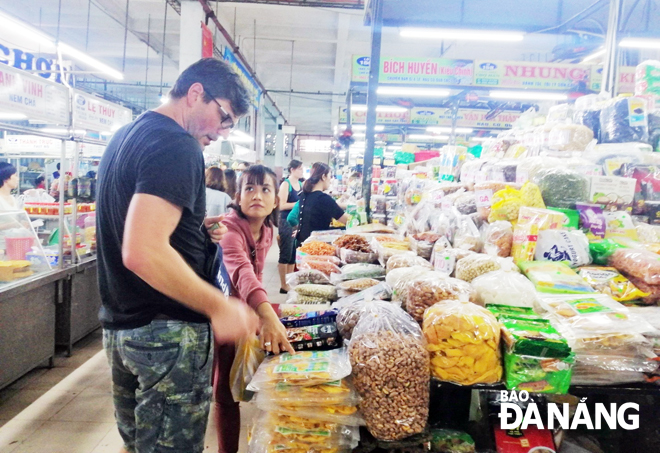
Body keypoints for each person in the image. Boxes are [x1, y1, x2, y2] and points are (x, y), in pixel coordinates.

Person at [96, 58, 259, 453]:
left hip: (124, 328)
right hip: (166, 335)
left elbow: (131, 225)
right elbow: (142, 251)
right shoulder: (176, 144)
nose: (220, 133)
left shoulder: (126, 136)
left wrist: (192, 234)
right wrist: (219, 307)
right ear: (195, 93)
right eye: (223, 118)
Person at [214, 164, 294, 453]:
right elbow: (241, 272)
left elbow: (255, 275)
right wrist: (267, 314)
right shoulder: (228, 229)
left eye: (265, 189)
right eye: (249, 188)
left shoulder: (268, 230)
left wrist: (262, 314)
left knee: (248, 380)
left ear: (275, 200)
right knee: (224, 390)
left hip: (245, 311)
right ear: (238, 195)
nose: (256, 195)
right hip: (218, 314)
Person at [292, 162, 349, 244]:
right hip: (316, 247)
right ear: (323, 177)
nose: (331, 179)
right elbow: (347, 221)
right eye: (330, 176)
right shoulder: (323, 199)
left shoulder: (305, 194)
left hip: (302, 243)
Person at [277, 159, 303, 293]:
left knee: (293, 253)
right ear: (292, 169)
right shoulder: (286, 185)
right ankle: (283, 285)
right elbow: (281, 205)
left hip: (296, 222)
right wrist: (298, 204)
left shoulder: (300, 184)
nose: (301, 171)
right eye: (299, 169)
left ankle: (289, 281)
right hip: (286, 221)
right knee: (285, 253)